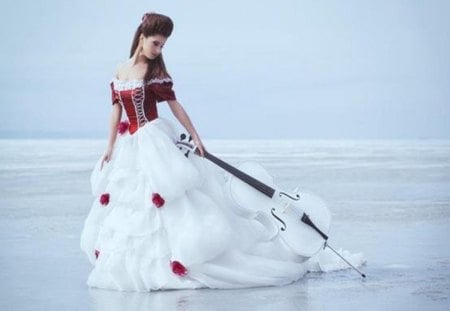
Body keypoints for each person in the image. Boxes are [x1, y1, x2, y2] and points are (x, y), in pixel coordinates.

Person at [80, 12, 361, 292]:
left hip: (155, 140)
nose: (159, 50)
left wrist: (196, 136)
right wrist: (110, 146)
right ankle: (141, 264)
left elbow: (175, 106)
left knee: (171, 198)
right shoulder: (121, 70)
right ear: (142, 37)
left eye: (163, 45)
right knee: (132, 205)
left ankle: (179, 258)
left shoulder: (154, 74)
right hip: (130, 145)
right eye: (156, 43)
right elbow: (116, 108)